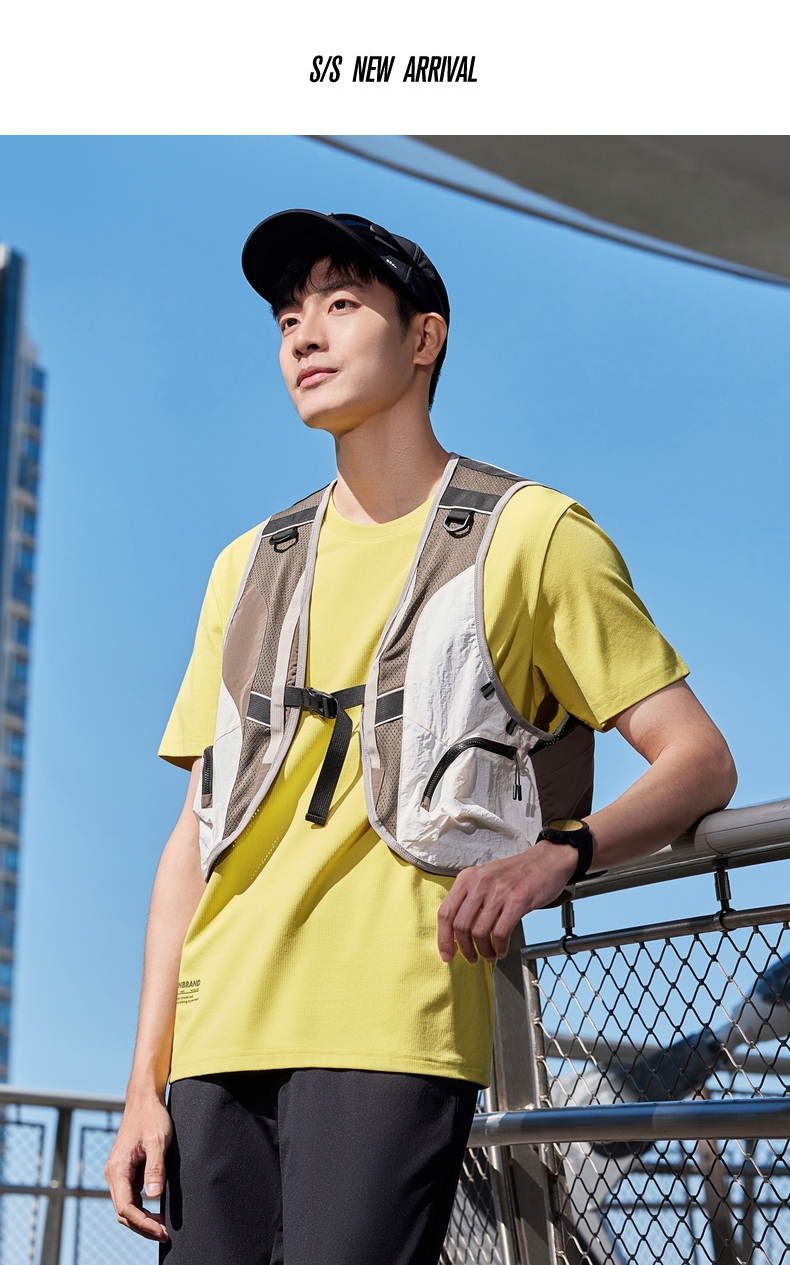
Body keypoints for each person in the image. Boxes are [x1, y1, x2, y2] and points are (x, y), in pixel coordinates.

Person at [105, 209, 737, 1264]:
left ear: (424, 338)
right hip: (217, 1033)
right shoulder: (246, 565)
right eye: (288, 318)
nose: (304, 335)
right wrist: (144, 1082)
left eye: (341, 304)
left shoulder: (531, 534)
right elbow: (190, 840)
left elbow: (699, 758)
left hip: (392, 1019)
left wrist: (557, 854)